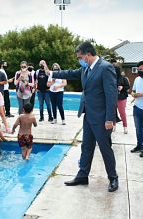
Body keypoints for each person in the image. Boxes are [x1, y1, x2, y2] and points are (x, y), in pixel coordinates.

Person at [46, 41, 118, 192]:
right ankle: (82, 175)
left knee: (105, 148)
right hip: (88, 115)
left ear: (88, 54)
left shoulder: (105, 68)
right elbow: (70, 73)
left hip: (102, 117)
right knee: (86, 147)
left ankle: (113, 178)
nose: (79, 60)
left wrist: (110, 119)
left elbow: (111, 95)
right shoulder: (86, 69)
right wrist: (51, 73)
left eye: (80, 57)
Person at [112, 61, 130, 134]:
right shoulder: (111, 78)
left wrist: (122, 87)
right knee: (113, 112)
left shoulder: (123, 78)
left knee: (122, 112)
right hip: (113, 97)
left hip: (121, 97)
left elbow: (128, 87)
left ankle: (125, 126)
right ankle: (114, 126)